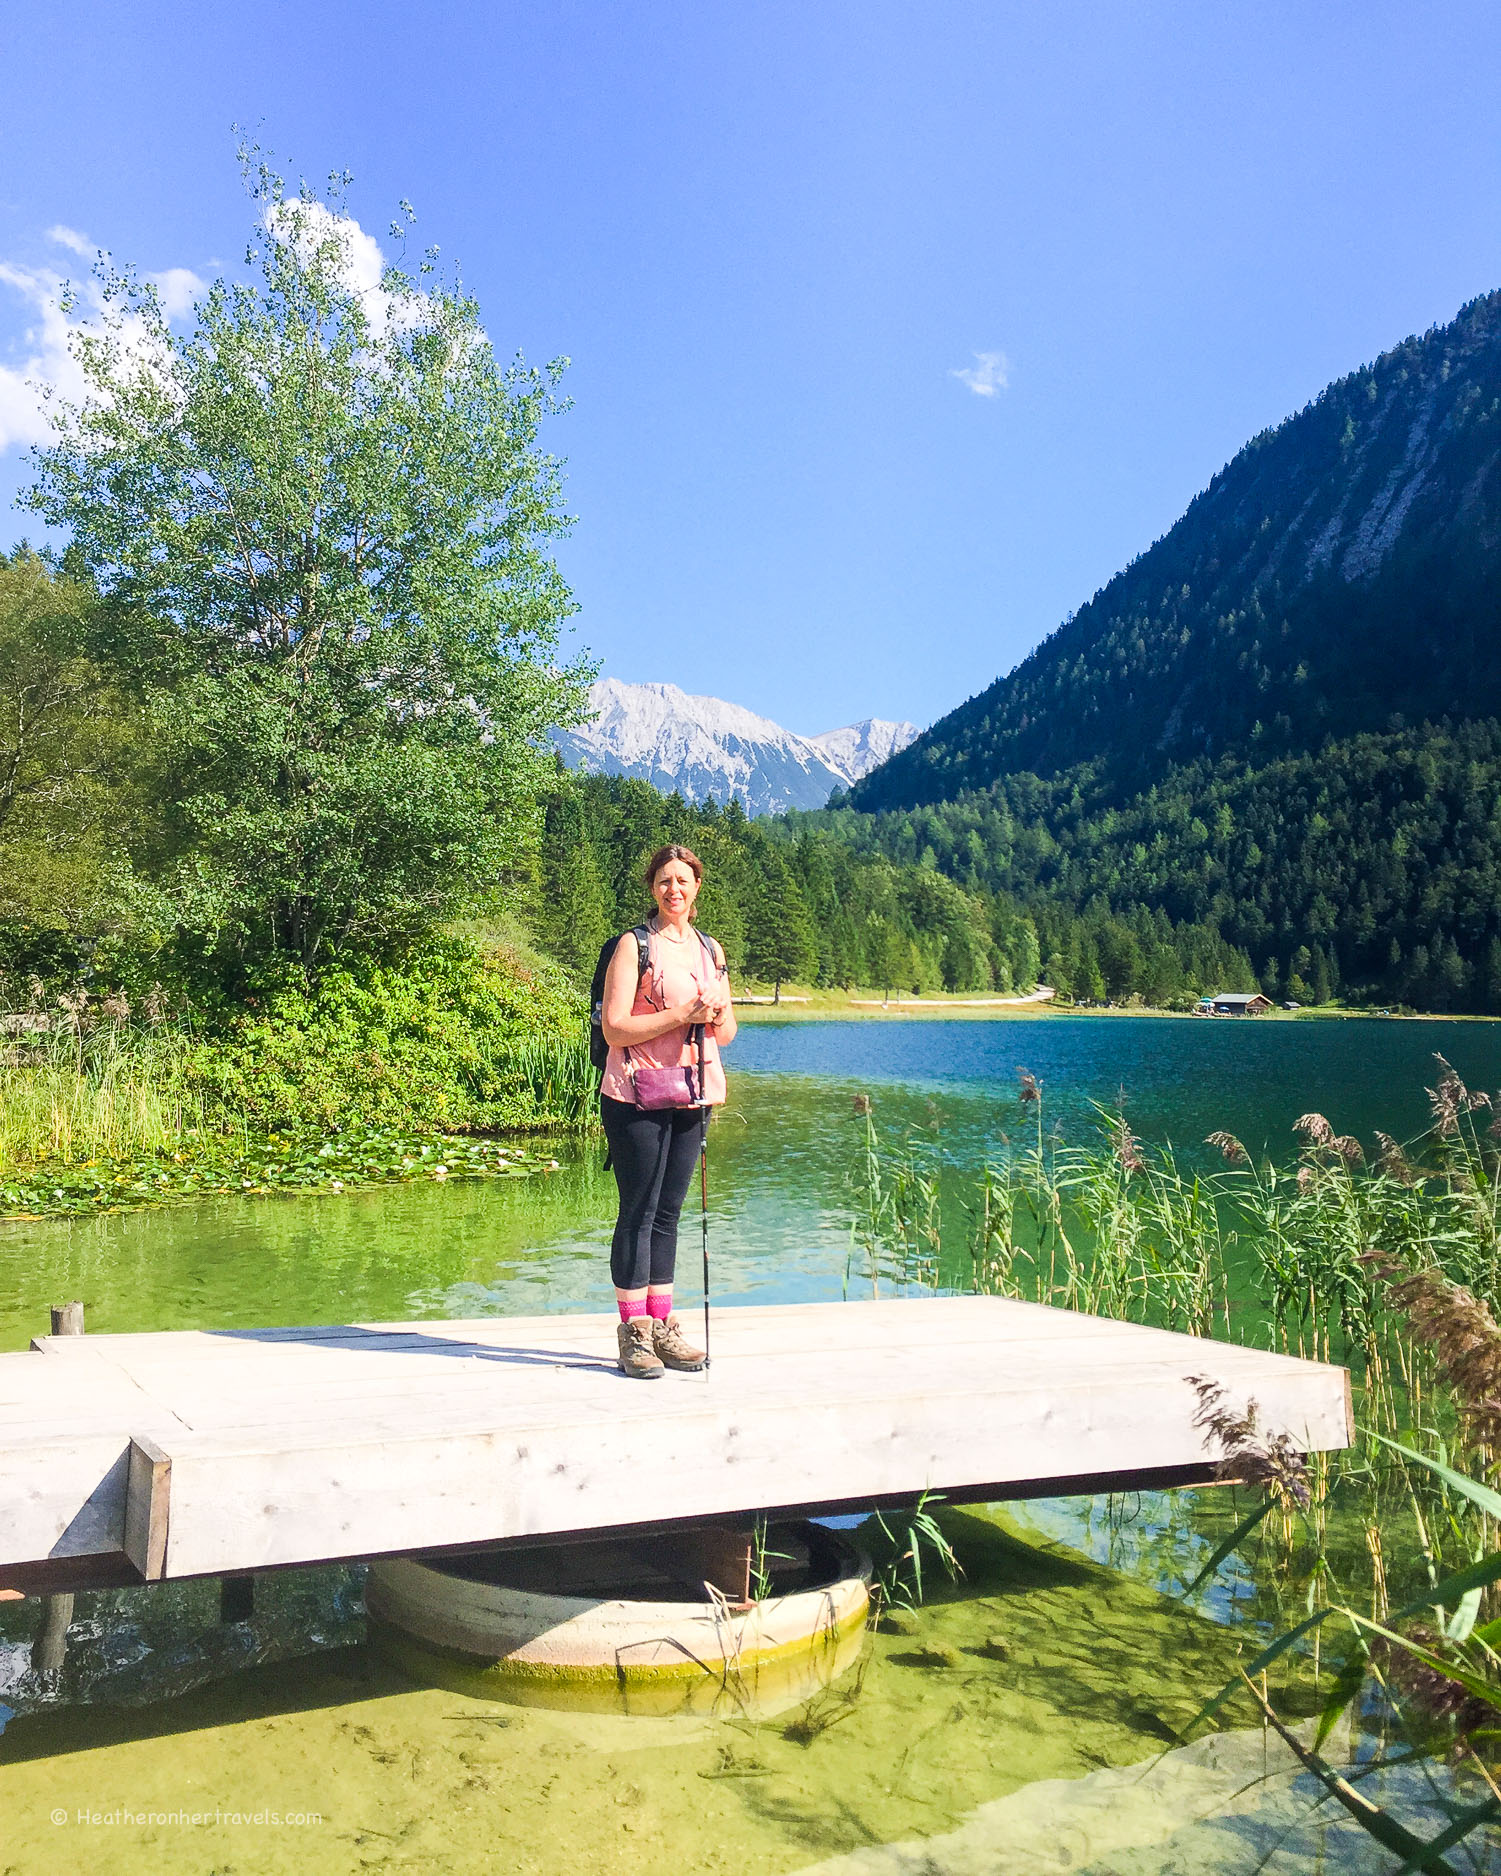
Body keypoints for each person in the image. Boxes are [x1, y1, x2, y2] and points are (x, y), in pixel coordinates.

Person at [599, 844, 737, 1378]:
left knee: (669, 1213)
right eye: (664, 881)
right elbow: (614, 1028)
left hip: (694, 1091)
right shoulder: (633, 947)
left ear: (696, 887)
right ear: (652, 887)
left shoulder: (710, 949)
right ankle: (633, 1333)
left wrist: (717, 1014)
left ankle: (662, 1324)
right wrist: (683, 1012)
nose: (673, 889)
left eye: (683, 880)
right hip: (634, 1092)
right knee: (638, 1210)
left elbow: (724, 1034)